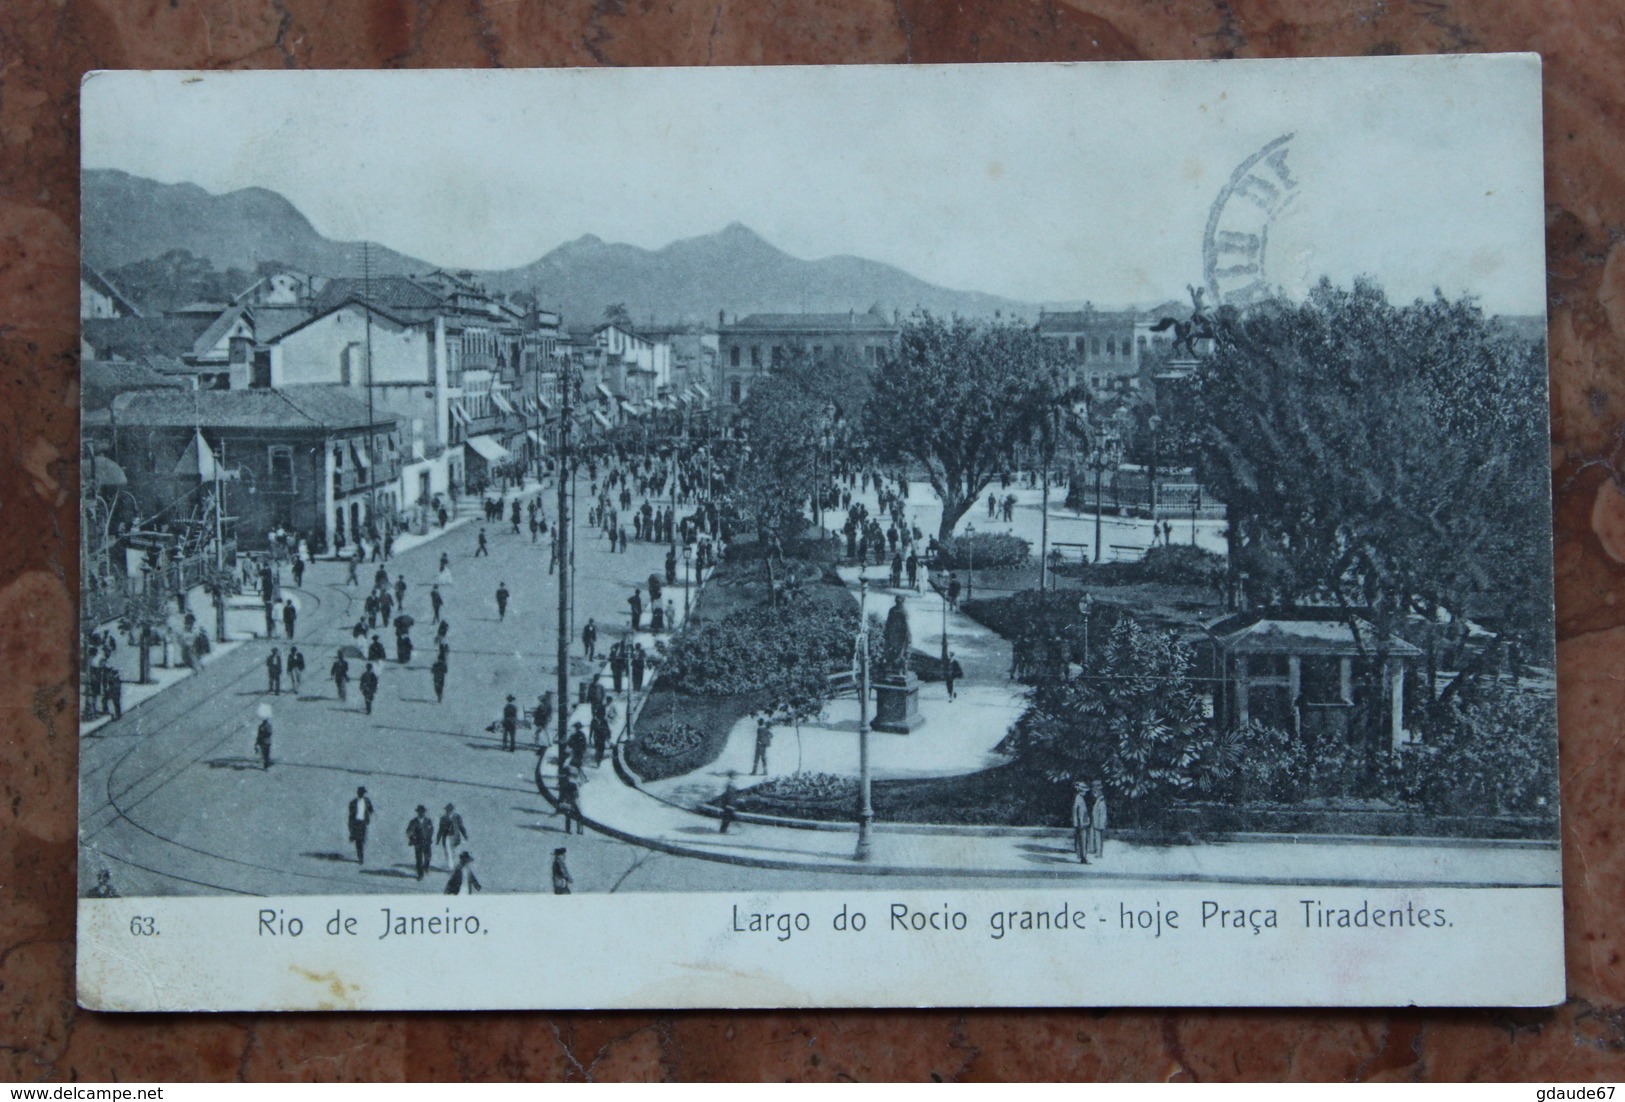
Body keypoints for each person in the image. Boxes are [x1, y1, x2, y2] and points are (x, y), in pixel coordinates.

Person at [436, 803, 469, 870]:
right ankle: (450, 866)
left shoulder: (457, 817)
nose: (449, 811)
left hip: (455, 837)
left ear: (453, 810)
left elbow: (461, 826)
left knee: (455, 852)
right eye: (448, 809)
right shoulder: (443, 818)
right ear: (446, 810)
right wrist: (438, 839)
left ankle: (454, 865)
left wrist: (465, 835)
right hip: (446, 837)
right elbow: (440, 829)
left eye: (451, 809)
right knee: (448, 851)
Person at [407, 805, 435, 880]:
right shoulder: (413, 821)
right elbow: (409, 831)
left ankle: (426, 867)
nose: (422, 813)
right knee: (419, 859)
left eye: (423, 812)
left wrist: (430, 838)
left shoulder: (428, 821)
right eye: (420, 812)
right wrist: (412, 837)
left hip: (427, 842)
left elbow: (431, 830)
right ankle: (420, 874)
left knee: (428, 857)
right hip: (418, 842)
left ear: (424, 812)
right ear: (418, 812)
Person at [348, 786, 374, 864]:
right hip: (356, 823)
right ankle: (360, 858)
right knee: (358, 841)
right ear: (358, 793)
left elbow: (370, 809)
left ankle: (360, 856)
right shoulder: (353, 802)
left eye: (363, 793)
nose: (362, 794)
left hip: (363, 823)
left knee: (361, 840)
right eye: (360, 793)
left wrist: (370, 811)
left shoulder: (367, 801)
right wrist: (351, 826)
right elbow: (351, 814)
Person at [557, 767, 584, 835]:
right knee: (579, 815)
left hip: (566, 800)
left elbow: (562, 793)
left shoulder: (563, 781)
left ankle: (568, 829)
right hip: (572, 800)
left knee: (568, 815)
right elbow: (576, 794)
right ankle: (579, 830)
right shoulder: (573, 783)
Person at [1086, 780, 1108, 861]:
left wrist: (1102, 824)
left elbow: (1103, 815)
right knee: (1096, 838)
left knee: (1098, 839)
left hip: (1098, 824)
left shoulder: (1101, 802)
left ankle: (1099, 853)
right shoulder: (1098, 801)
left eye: (1096, 790)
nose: (1094, 792)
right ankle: (1095, 850)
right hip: (1096, 823)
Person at [1071, 782, 1091, 864]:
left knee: (1084, 840)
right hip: (1081, 824)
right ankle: (1083, 858)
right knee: (1083, 841)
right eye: (1084, 791)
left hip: (1083, 823)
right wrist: (1075, 823)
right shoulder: (1078, 798)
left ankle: (1083, 857)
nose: (1085, 792)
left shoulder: (1080, 798)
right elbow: (1075, 811)